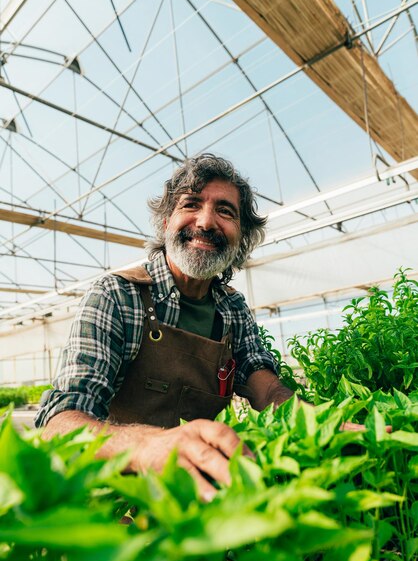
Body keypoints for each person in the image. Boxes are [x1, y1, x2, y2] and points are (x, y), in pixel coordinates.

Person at [36, 153, 293, 500]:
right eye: (191, 204)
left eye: (225, 211)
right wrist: (150, 445)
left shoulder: (232, 309)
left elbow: (262, 383)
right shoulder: (118, 295)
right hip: (113, 504)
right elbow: (60, 421)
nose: (205, 221)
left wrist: (312, 419)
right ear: (165, 222)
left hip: (198, 499)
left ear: (241, 237)